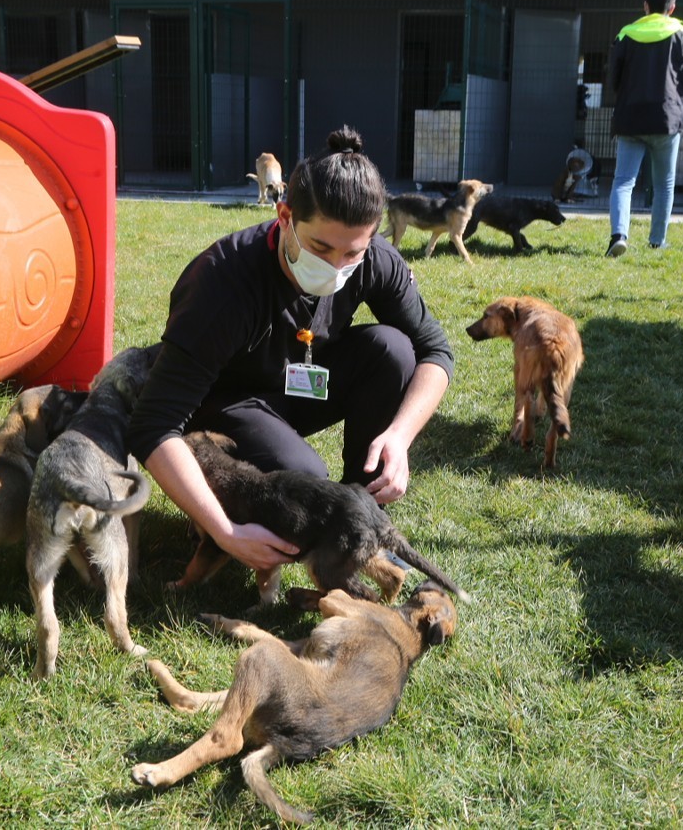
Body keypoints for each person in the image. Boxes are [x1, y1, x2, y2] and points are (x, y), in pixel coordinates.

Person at [126, 126, 455, 574]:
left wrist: (400, 435)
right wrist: (225, 530)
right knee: (303, 482)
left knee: (393, 350)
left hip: (299, 382)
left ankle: (359, 514)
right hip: (228, 402)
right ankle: (263, 506)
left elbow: (435, 352)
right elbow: (154, 425)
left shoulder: (375, 258)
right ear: (284, 216)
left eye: (352, 254)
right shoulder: (222, 283)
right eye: (320, 247)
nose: (336, 266)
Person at [605, 0, 683, 256]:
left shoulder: (626, 34)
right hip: (667, 120)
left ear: (645, 5)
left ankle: (618, 236)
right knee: (664, 184)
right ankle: (657, 241)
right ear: (672, 8)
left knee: (624, 181)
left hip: (630, 119)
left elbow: (614, 80)